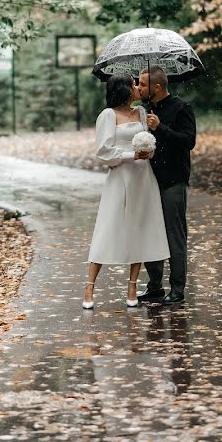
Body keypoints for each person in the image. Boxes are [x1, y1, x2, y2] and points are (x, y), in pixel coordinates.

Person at [83, 74, 170, 309]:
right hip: (120, 178)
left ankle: (132, 286)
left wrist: (148, 147)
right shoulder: (108, 115)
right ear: (122, 89)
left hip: (143, 178)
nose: (136, 88)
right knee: (108, 228)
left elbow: (147, 144)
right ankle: (89, 287)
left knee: (139, 228)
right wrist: (131, 155)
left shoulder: (142, 112)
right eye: (133, 84)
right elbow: (103, 152)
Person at [137, 66, 196, 305]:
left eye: (142, 84)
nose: (138, 88)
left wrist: (160, 127)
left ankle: (178, 289)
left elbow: (188, 141)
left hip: (173, 181)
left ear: (157, 87)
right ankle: (154, 287)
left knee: (174, 236)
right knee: (151, 234)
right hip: (148, 182)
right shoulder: (144, 110)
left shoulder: (182, 108)